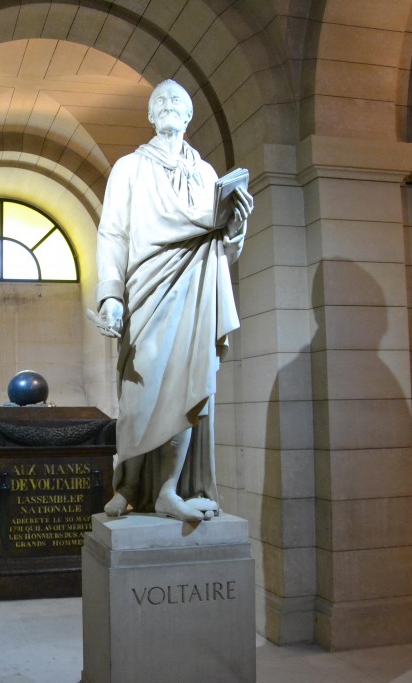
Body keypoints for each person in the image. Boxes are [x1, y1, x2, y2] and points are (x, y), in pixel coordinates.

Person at [92, 79, 253, 522]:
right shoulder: (128, 168)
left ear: (187, 116)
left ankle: (167, 490)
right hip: (146, 289)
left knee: (189, 389)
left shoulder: (206, 175)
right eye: (159, 101)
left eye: (176, 102)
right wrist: (110, 294)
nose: (167, 106)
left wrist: (235, 226)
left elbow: (221, 248)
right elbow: (112, 233)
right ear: (150, 115)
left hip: (195, 291)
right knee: (140, 392)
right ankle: (126, 484)